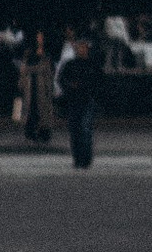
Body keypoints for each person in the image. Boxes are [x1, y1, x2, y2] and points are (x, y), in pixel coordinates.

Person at [54, 24, 103, 171]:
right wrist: (70, 87)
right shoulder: (70, 64)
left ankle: (85, 159)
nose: (80, 50)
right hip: (74, 101)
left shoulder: (92, 65)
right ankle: (78, 159)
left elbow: (98, 82)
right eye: (79, 47)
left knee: (85, 129)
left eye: (83, 47)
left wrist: (84, 88)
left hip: (87, 100)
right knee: (75, 131)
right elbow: (61, 79)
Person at [19, 32, 56, 144]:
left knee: (44, 110)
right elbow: (24, 70)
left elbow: (49, 71)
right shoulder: (29, 53)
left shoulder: (47, 54)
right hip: (31, 85)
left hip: (42, 86)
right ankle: (30, 133)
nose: (40, 39)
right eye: (38, 37)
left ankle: (44, 134)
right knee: (31, 109)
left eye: (42, 37)